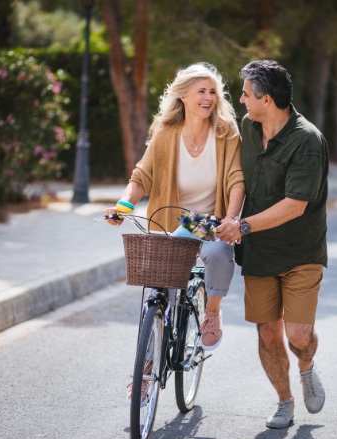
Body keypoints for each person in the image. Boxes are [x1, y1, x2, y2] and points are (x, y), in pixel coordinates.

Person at [104, 63, 245, 404]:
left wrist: (230, 219)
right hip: (171, 220)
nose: (209, 97)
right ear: (183, 95)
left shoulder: (226, 132)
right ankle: (145, 371)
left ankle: (212, 313)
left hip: (207, 220)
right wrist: (123, 207)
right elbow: (142, 176)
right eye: (202, 91)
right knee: (158, 294)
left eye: (213, 91)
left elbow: (236, 180)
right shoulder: (167, 133)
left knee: (216, 253)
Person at [216, 60, 328, 429]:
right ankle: (284, 401)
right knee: (267, 331)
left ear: (265, 98)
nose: (242, 99)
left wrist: (242, 225)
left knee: (296, 334)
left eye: (247, 93)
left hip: (300, 252)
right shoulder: (248, 128)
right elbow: (234, 176)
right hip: (260, 253)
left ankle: (307, 366)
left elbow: (295, 206)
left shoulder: (306, 140)